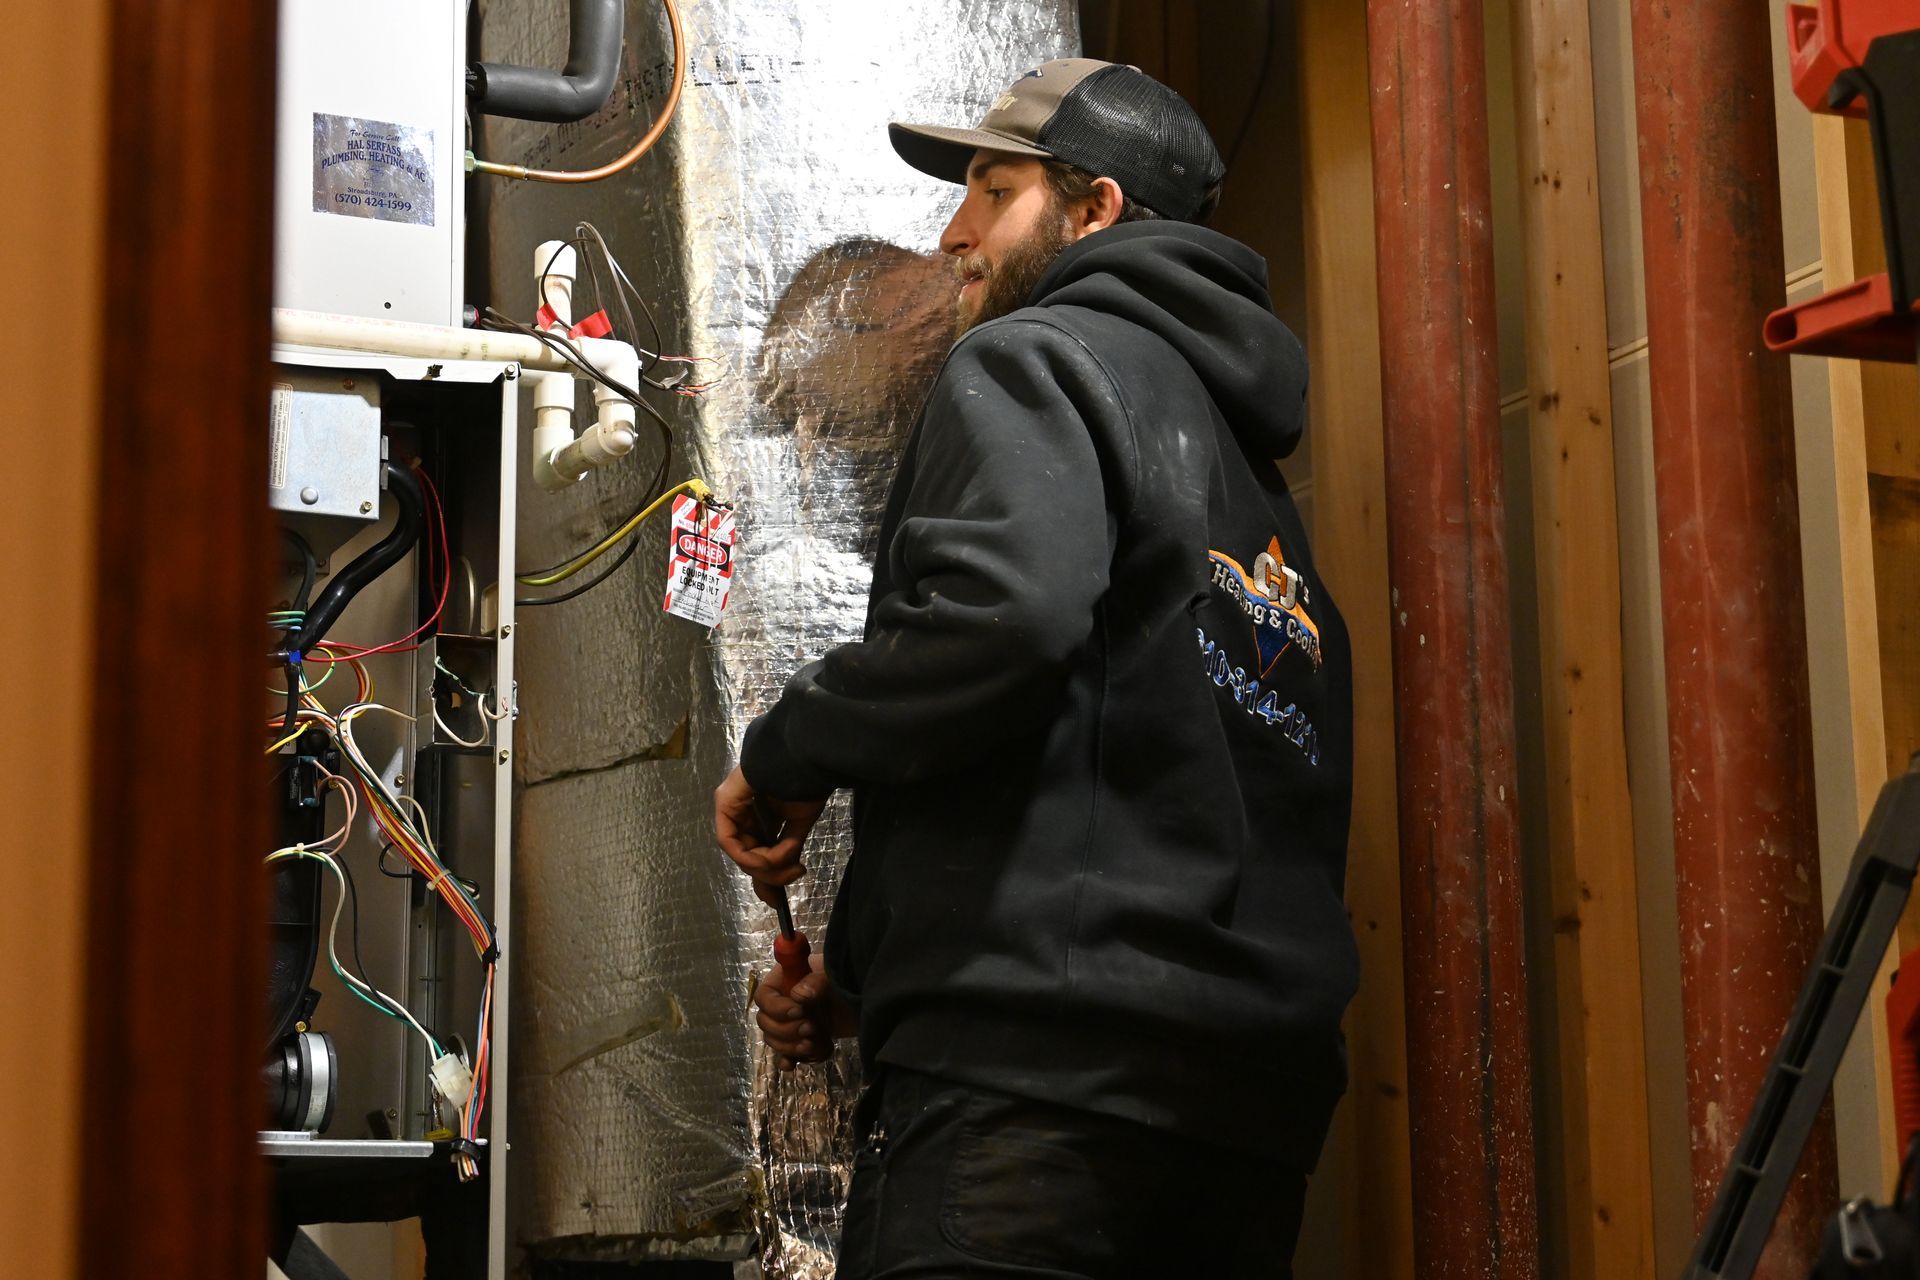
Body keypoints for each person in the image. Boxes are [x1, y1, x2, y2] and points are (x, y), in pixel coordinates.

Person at [714, 58, 1356, 1279]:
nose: (955, 232)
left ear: (1094, 210)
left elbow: (998, 623)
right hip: (1240, 1139)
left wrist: (785, 751)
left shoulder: (1037, 358)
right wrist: (862, 980)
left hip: (1029, 1124)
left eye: (991, 191)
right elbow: (1130, 782)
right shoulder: (1253, 488)